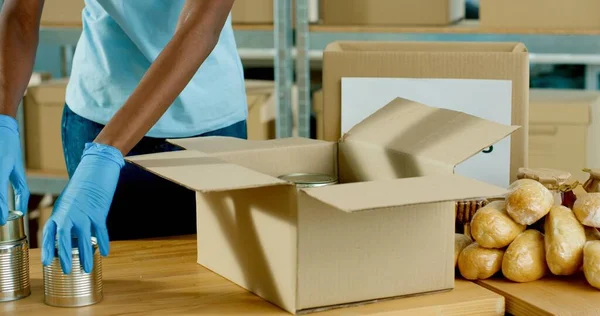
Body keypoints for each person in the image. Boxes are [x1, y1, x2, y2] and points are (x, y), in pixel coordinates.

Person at [0, 0, 247, 275]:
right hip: (99, 114)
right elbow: (21, 12)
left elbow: (201, 26)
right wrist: (3, 118)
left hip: (205, 126)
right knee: (112, 280)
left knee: (212, 281)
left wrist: (105, 153)